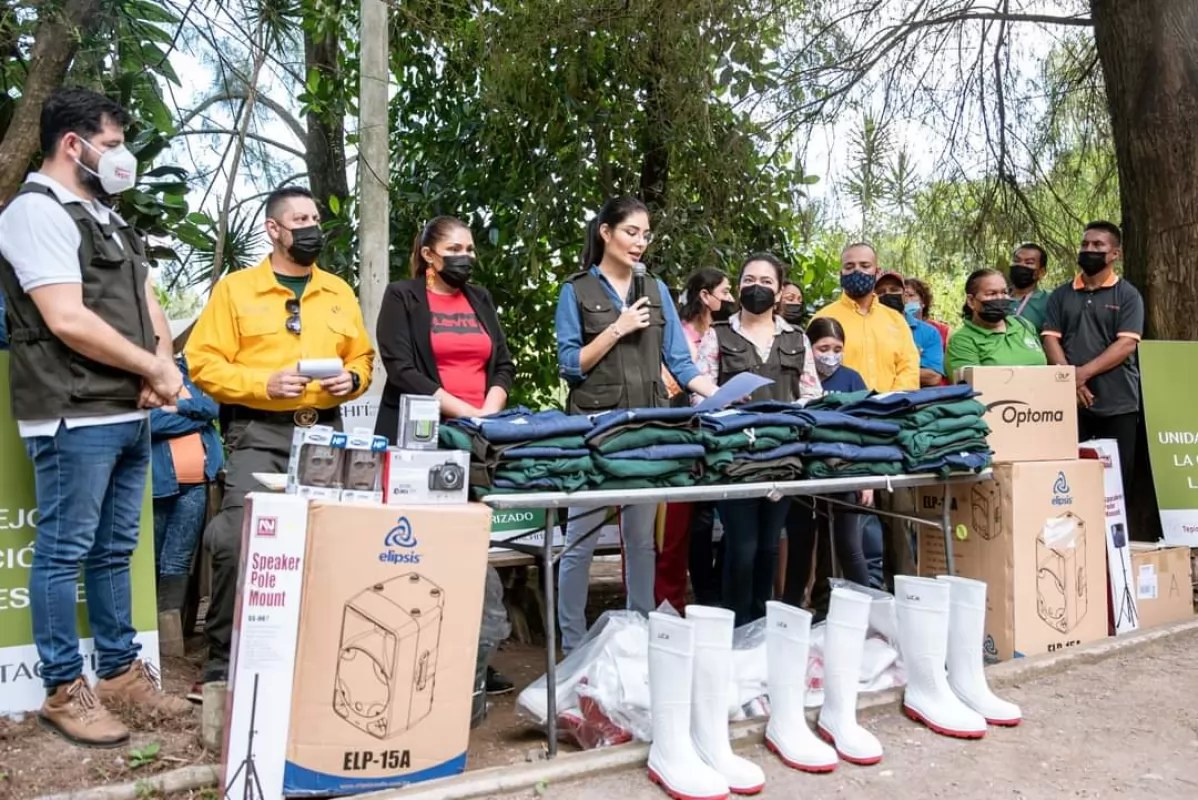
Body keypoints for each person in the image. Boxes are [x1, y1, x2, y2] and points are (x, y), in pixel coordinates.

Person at [0, 88, 191, 746]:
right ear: (72, 145)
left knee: (114, 552)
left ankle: (119, 675)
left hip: (126, 411)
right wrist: (152, 368)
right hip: (72, 411)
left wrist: (157, 367)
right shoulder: (35, 213)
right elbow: (66, 318)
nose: (120, 158)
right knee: (63, 553)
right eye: (110, 146)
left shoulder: (106, 215)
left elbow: (148, 301)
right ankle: (62, 688)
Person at [186, 185, 375, 692]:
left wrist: (352, 381)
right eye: (300, 219)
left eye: (316, 217)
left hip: (325, 432)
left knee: (332, 537)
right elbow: (202, 362)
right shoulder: (236, 291)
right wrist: (261, 383)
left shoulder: (337, 290)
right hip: (258, 429)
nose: (312, 227)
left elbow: (362, 358)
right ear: (274, 229)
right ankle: (224, 660)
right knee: (234, 537)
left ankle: (322, 652)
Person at [554, 196, 717, 652]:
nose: (640, 242)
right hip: (593, 430)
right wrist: (617, 328)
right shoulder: (576, 291)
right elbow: (570, 366)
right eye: (631, 232)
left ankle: (642, 635)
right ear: (605, 232)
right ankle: (572, 645)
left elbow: (681, 364)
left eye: (645, 234)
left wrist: (720, 397)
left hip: (646, 430)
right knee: (580, 540)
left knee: (642, 540)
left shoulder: (657, 289)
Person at [374, 215, 516, 694]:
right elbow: (401, 367)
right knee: (418, 549)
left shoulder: (481, 299)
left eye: (470, 249)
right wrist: (463, 411)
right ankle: (413, 659)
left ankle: (472, 656)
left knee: (470, 547)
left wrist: (487, 413)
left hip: (476, 441)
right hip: (420, 440)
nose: (466, 257)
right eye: (455, 248)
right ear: (430, 255)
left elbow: (503, 362)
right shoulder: (403, 297)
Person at [698, 253, 822, 625]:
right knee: (743, 545)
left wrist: (797, 409)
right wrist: (722, 402)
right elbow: (698, 394)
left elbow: (813, 393)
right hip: (735, 455)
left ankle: (761, 627)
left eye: (766, 282)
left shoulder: (797, 338)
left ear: (780, 291)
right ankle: (738, 626)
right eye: (749, 280)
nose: (757, 288)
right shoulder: (717, 334)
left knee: (770, 545)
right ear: (738, 287)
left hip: (783, 455)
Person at [1042, 221, 1143, 493]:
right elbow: (1050, 338)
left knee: (1118, 481)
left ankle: (1115, 536)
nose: (1090, 250)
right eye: (1085, 244)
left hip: (1118, 402)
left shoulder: (1128, 295)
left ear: (1115, 254)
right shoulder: (1061, 295)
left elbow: (1126, 345)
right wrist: (1069, 381)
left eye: (1098, 245)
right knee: (1070, 479)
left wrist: (1081, 375)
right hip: (1070, 403)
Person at [782, 317, 873, 614]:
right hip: (802, 473)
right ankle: (791, 613)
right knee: (800, 546)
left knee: (849, 544)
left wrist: (867, 478)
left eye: (837, 348)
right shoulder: (797, 377)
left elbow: (867, 431)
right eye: (823, 348)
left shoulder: (852, 379)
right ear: (809, 348)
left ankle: (871, 613)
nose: (831, 355)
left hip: (844, 472)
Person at [658, 268, 733, 610]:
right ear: (706, 296)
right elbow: (676, 384)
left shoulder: (727, 335)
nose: (731, 299)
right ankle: (681, 600)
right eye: (726, 292)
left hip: (722, 436)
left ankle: (715, 594)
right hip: (684, 436)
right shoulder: (682, 340)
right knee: (685, 527)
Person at [149, 354, 223, 628]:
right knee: (153, 558)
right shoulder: (142, 375)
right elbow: (149, 422)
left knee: (178, 560)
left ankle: (170, 634)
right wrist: (195, 416)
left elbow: (215, 407)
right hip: (158, 485)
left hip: (196, 484)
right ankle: (148, 630)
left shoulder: (193, 375)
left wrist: (175, 406)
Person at [812, 244, 919, 391]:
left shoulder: (896, 320)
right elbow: (809, 370)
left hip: (891, 409)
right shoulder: (823, 319)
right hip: (840, 409)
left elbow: (909, 368)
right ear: (841, 273)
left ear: (877, 272)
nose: (857, 271)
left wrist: (893, 401)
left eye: (865, 265)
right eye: (849, 267)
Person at [946, 268, 1046, 379]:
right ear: (971, 301)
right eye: (991, 293)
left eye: (1004, 292)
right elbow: (972, 386)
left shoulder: (1024, 325)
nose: (999, 298)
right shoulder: (962, 341)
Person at [874, 271, 943, 387]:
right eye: (881, 292)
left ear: (904, 296)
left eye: (894, 289)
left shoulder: (929, 333)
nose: (887, 294)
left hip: (917, 399)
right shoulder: (869, 328)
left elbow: (933, 377)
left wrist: (886, 369)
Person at [1008, 242, 1051, 332]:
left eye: (1029, 263)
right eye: (1016, 261)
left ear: (1041, 272)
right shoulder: (997, 296)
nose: (1021, 265)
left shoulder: (1050, 300)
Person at [904, 277, 950, 355]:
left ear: (923, 302)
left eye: (911, 295)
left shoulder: (943, 331)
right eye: (903, 296)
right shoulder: (897, 327)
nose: (906, 300)